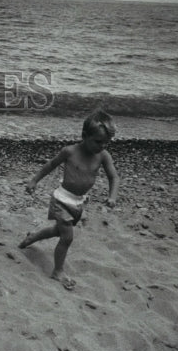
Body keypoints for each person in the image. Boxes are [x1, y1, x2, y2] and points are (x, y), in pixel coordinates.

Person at [18, 110, 120, 290]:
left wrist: (112, 196)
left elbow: (114, 177)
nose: (102, 146)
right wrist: (34, 180)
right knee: (67, 237)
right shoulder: (70, 151)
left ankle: (32, 237)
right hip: (61, 200)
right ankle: (58, 271)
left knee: (57, 231)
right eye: (98, 141)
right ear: (84, 135)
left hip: (78, 202)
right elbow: (50, 165)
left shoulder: (103, 156)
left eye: (106, 142)